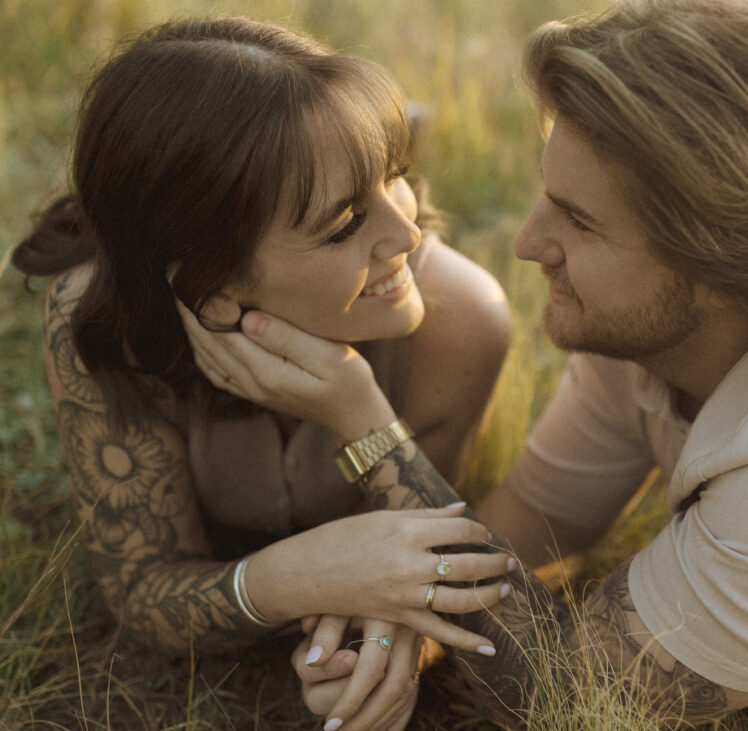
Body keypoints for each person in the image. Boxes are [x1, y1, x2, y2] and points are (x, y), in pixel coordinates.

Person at [178, 0, 748, 727]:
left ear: (724, 260)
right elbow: (538, 526)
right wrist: (395, 632)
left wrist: (365, 425)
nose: (526, 243)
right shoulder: (662, 325)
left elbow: (570, 697)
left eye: (578, 222)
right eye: (548, 194)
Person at [13, 16, 515, 731]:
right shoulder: (96, 323)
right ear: (214, 287)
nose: (405, 233)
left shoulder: (463, 319)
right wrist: (302, 573)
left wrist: (358, 410)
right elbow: (141, 588)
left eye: (394, 178)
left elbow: (433, 555)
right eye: (344, 221)